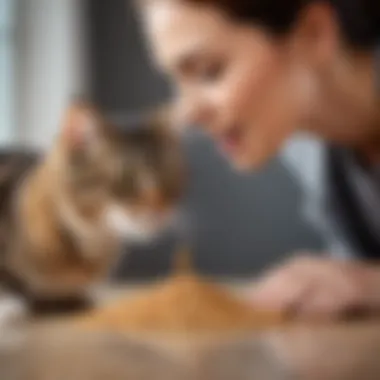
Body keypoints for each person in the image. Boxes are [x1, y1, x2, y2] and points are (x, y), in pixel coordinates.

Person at [135, 0, 380, 318]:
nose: (186, 115)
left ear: (313, 33)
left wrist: (368, 284)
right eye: (176, 80)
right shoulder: (313, 151)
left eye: (210, 71)